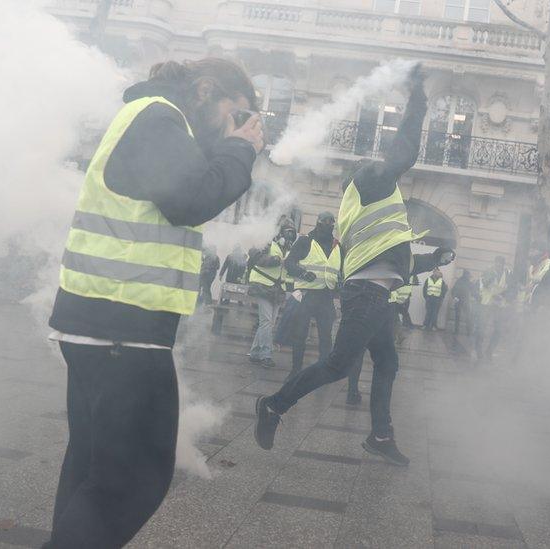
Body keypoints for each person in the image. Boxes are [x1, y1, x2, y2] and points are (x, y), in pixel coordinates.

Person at [45, 58, 262, 548]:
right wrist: (238, 150)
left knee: (93, 471)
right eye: (235, 111)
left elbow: (181, 182)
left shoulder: (154, 116)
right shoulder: (159, 116)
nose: (236, 124)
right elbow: (189, 199)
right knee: (130, 478)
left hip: (101, 324)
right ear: (205, 89)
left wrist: (226, 146)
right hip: (123, 329)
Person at [253, 64, 455, 466]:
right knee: (338, 365)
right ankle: (273, 406)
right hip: (367, 296)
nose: (387, 168)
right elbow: (405, 149)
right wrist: (418, 97)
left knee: (387, 363)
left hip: (373, 292)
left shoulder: (361, 205)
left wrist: (432, 259)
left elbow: (386, 258)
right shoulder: (372, 181)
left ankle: (381, 436)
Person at [284, 211, 341, 375]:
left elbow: (340, 270)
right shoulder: (305, 241)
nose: (329, 225)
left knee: (325, 336)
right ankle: (295, 370)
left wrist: (341, 282)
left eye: (332, 223)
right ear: (318, 223)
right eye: (326, 222)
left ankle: (323, 371)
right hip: (307, 295)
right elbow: (289, 262)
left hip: (326, 296)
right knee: (300, 334)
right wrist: (302, 273)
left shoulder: (337, 246)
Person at [247, 219, 296, 368]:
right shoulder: (268, 242)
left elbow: (287, 273)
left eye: (292, 232)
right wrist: (274, 260)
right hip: (262, 286)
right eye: (287, 231)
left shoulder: (288, 249)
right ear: (280, 232)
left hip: (277, 290)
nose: (290, 235)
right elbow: (255, 257)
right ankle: (265, 355)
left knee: (269, 323)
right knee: (267, 322)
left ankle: (255, 353)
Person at [475, 256, 511, 364]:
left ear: (503, 264)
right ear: (494, 263)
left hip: (500, 304)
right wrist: (492, 275)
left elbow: (510, 288)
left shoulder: (508, 274)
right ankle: (478, 349)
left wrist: (503, 296)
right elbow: (484, 283)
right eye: (497, 263)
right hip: (486, 303)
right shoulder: (488, 271)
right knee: (482, 328)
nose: (498, 265)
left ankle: (489, 351)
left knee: (498, 330)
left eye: (500, 264)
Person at [451, 269, 475, 335]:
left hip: (461, 300)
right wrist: (455, 297)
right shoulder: (466, 282)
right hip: (463, 300)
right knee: (466, 317)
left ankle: (460, 331)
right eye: (468, 275)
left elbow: (453, 290)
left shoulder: (459, 281)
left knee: (460, 317)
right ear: (466, 275)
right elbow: (454, 290)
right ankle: (468, 332)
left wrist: (454, 297)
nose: (469, 276)